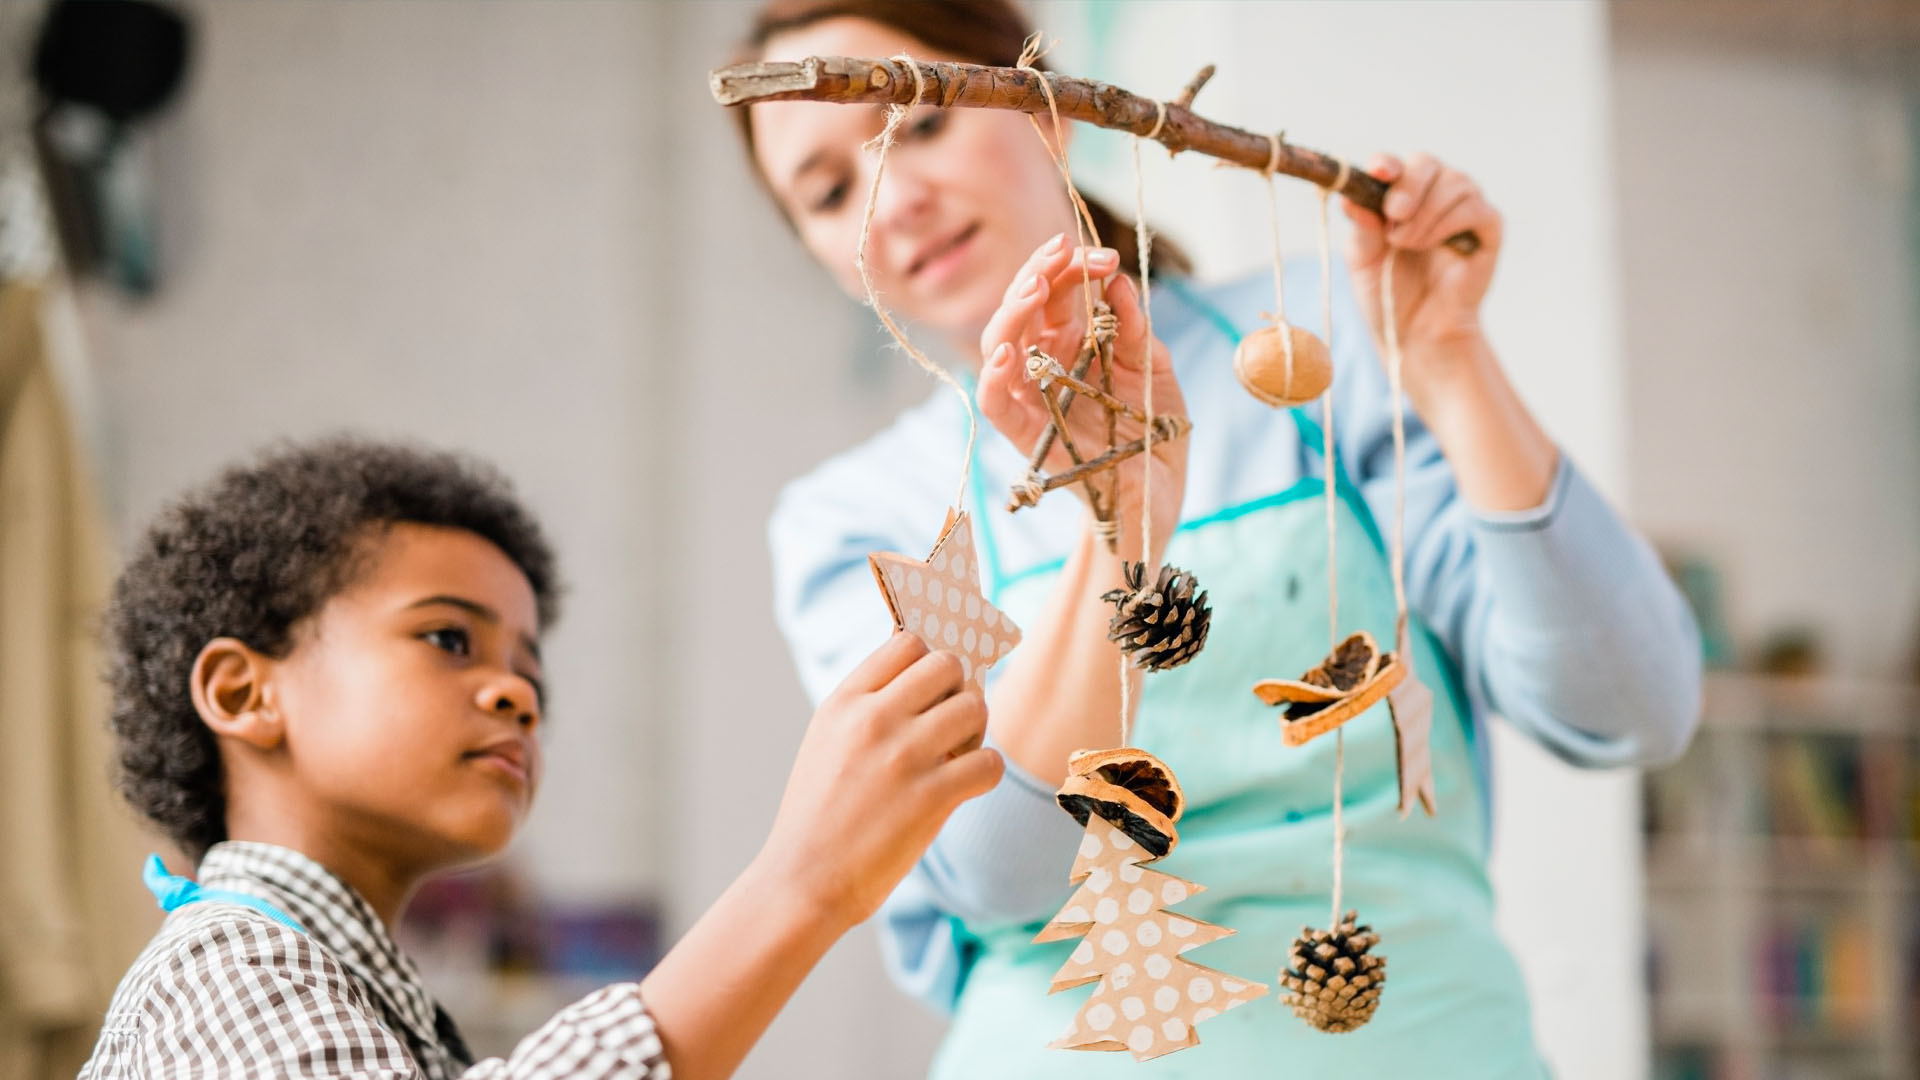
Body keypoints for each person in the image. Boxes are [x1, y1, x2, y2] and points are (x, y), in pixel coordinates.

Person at [737, 1, 1703, 1075]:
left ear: (1046, 108)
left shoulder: (1319, 358)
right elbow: (999, 878)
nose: (896, 198)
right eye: (829, 191)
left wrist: (1447, 360)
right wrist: (1120, 530)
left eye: (922, 121)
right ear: (824, 251)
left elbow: (1630, 710)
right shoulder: (866, 516)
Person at [79, 436, 1003, 1080]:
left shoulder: (347, 984)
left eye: (531, 677)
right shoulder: (226, 969)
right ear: (246, 694)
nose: (518, 696)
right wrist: (798, 886)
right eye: (448, 639)